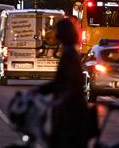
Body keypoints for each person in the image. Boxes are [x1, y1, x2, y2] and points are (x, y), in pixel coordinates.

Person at [37, 18, 96, 148]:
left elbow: (67, 81)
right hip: (72, 109)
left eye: (57, 31)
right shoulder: (71, 51)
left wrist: (39, 91)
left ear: (62, 34)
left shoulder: (68, 54)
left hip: (70, 112)